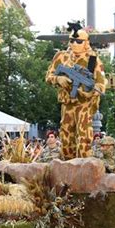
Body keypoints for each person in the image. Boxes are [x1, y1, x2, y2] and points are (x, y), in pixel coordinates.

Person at [45, 22, 106, 159]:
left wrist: (96, 90)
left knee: (84, 138)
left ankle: (84, 166)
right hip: (67, 104)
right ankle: (67, 166)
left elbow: (101, 81)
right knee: (66, 137)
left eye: (78, 41)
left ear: (86, 42)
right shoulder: (61, 56)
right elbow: (49, 76)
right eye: (71, 40)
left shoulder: (93, 60)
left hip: (83, 104)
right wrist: (58, 79)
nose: (74, 44)